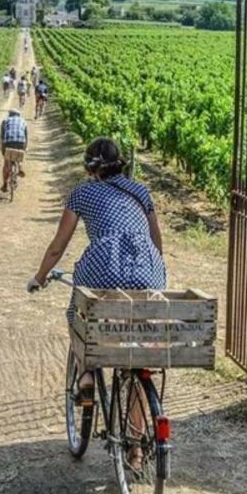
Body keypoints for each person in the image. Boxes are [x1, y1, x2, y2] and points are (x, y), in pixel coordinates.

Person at [26, 137, 166, 470]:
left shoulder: (82, 193)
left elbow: (59, 245)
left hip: (104, 266)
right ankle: (135, 451)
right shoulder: (140, 192)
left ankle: (86, 375)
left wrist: (40, 276)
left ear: (91, 168)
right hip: (149, 269)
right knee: (136, 351)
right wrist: (151, 273)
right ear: (122, 163)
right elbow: (156, 239)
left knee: (77, 314)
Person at [0, 108, 28, 192]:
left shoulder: (5, 121)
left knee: (6, 162)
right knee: (19, 154)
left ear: (9, 114)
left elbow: (1, 137)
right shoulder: (23, 121)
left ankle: (5, 184)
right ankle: (20, 167)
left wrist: (2, 148)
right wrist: (24, 149)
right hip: (20, 143)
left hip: (8, 143)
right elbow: (26, 137)